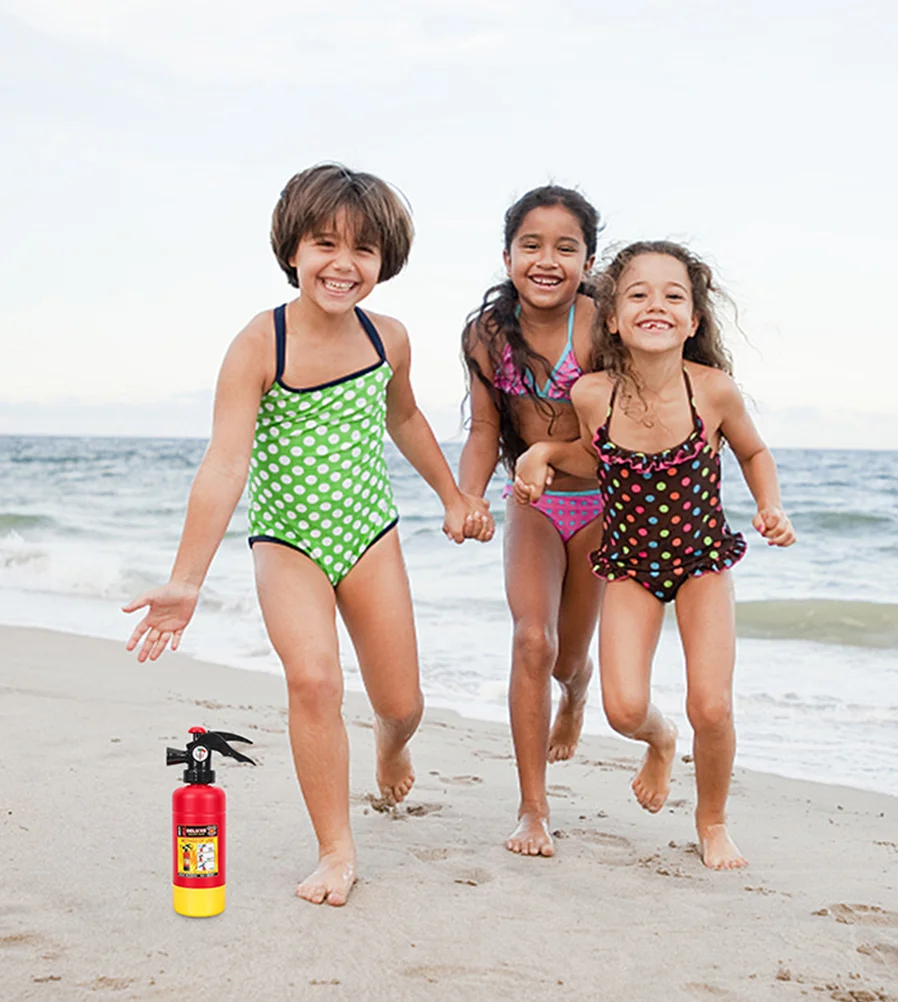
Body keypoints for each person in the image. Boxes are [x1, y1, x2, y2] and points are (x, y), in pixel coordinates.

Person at [123, 163, 493, 906]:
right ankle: (335, 851)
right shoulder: (261, 343)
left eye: (363, 250)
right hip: (287, 542)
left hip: (369, 535)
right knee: (315, 680)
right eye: (326, 243)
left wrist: (453, 495)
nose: (343, 264)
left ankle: (392, 745)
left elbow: (405, 419)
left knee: (403, 701)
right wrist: (187, 581)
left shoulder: (388, 338)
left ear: (384, 262)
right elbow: (226, 463)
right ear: (292, 248)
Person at [513, 240, 795, 869]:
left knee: (713, 706)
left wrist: (770, 504)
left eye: (673, 295)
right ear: (611, 317)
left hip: (702, 564)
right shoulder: (593, 395)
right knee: (623, 709)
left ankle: (713, 819)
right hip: (631, 567)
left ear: (693, 321)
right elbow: (592, 457)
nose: (656, 305)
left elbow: (752, 451)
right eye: (638, 294)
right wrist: (540, 456)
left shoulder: (713, 392)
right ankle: (661, 741)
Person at [459, 185, 604, 858]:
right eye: (532, 245)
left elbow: (628, 428)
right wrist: (468, 496)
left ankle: (577, 696)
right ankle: (533, 810)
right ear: (508, 254)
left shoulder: (601, 325)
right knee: (531, 642)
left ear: (588, 259)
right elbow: (486, 429)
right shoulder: (488, 335)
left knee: (569, 659)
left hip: (604, 503)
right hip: (533, 504)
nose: (547, 260)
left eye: (565, 248)